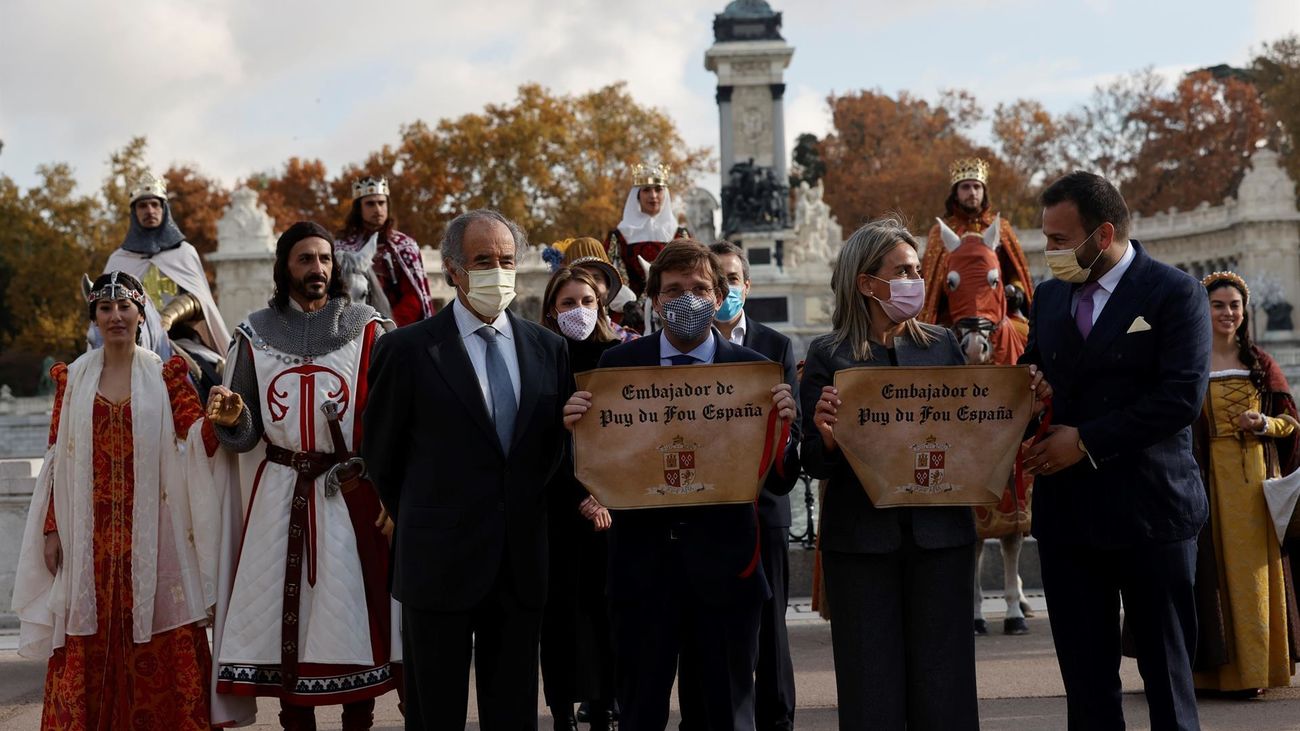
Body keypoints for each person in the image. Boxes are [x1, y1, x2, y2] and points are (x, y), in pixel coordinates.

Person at [563, 239, 798, 731]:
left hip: (727, 569)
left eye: (698, 288)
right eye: (673, 290)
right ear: (653, 300)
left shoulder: (754, 370)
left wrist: (784, 428)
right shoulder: (618, 369)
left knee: (726, 715)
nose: (686, 299)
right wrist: (577, 433)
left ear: (718, 298)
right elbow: (596, 471)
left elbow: (779, 477)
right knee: (640, 711)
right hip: (642, 571)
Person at [362, 209, 572, 730]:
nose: (497, 272)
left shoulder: (549, 349)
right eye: (483, 261)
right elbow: (381, 456)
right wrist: (425, 514)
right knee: (435, 712)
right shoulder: (406, 350)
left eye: (506, 261)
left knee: (514, 710)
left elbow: (552, 451)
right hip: (437, 561)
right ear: (454, 269)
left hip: (520, 562)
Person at [1020, 171, 1210, 730]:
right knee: (1086, 686)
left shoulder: (1176, 292)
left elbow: (1180, 398)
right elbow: (1034, 370)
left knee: (1168, 679)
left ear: (1102, 235)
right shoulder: (1049, 295)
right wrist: (1027, 391)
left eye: (1058, 240)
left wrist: (1086, 441)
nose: (1048, 251)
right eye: (1046, 238)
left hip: (1152, 512)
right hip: (1068, 520)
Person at [12, 271, 223, 729]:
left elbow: (196, 439)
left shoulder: (167, 374)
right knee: (85, 633)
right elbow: (55, 460)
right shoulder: (73, 379)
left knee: (161, 632)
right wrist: (51, 528)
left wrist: (224, 418)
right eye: (105, 309)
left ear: (140, 313)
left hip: (155, 537)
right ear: (94, 318)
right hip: (89, 539)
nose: (115, 316)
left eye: (124, 307)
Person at [206, 221, 396, 730]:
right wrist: (232, 419)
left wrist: (387, 488)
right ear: (285, 267)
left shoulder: (368, 327)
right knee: (283, 622)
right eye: (305, 259)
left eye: (325, 259)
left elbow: (394, 416)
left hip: (350, 491)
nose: (317, 268)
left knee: (356, 618)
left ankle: (360, 720)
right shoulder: (253, 335)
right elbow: (244, 436)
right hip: (280, 492)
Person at [800, 219, 980, 730]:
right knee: (869, 684)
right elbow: (811, 460)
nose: (914, 281)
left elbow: (971, 432)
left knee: (945, 683)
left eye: (916, 270)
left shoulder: (943, 346)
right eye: (902, 271)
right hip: (861, 544)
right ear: (866, 283)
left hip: (941, 538)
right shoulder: (826, 354)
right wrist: (828, 436)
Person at [675, 241, 800, 731]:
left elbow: (793, 433)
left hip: (761, 509)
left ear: (747, 286)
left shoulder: (775, 347)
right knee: (699, 630)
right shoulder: (683, 349)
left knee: (770, 632)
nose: (725, 289)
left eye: (732, 279)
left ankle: (778, 719)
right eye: (716, 280)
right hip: (700, 511)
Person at [1192, 271, 1299, 696]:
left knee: (1253, 574)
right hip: (1204, 479)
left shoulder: (1260, 363)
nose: (1227, 313)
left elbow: (1291, 424)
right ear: (1204, 310)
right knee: (1209, 571)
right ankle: (1210, 674)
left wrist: (1264, 423)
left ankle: (1257, 670)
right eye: (1218, 305)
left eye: (1234, 305)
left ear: (1244, 311)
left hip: (1255, 482)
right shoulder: (1190, 360)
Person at [538, 265, 620, 730]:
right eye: (568, 303)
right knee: (561, 615)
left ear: (602, 306)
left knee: (606, 610)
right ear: (552, 309)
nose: (579, 311)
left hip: (612, 510)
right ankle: (562, 711)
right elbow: (535, 438)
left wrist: (604, 496)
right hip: (558, 507)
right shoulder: (540, 359)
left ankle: (606, 702)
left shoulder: (616, 358)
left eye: (587, 302)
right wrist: (579, 497)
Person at [100, 171, 231, 398]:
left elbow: (200, 302)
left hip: (179, 338)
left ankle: (222, 426)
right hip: (128, 341)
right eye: (142, 206)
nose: (149, 210)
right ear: (134, 212)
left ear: (164, 209)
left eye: (154, 204)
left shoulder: (185, 253)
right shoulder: (119, 260)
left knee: (213, 377)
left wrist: (168, 317)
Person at [920, 157, 1034, 335]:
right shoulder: (940, 232)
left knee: (1027, 336)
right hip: (952, 315)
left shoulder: (1001, 227)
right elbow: (932, 281)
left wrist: (1017, 291)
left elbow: (1015, 271)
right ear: (956, 192)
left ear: (984, 191)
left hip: (998, 311)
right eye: (965, 187)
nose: (972, 192)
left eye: (977, 186)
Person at [336, 175, 436, 326]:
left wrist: (386, 325)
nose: (377, 209)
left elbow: (414, 298)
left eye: (381, 203)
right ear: (358, 208)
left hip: (396, 330)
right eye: (370, 204)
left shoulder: (405, 246)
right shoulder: (340, 248)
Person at [604, 163, 690, 298]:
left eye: (658, 189)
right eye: (646, 190)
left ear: (665, 193)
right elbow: (608, 276)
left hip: (672, 307)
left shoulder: (680, 235)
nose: (653, 195)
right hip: (628, 312)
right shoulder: (619, 236)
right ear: (637, 195)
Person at [560, 237, 639, 341]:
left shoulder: (630, 343)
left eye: (596, 278)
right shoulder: (544, 345)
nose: (589, 286)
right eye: (580, 278)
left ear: (608, 287)